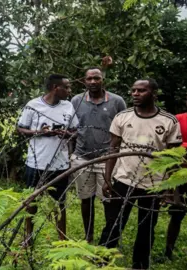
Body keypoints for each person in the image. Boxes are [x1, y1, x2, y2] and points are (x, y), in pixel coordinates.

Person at [99, 79, 182, 269]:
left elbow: (174, 158)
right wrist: (107, 178)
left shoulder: (169, 121)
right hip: (124, 179)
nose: (135, 93)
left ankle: (140, 264)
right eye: (133, 90)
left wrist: (169, 188)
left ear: (154, 94)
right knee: (113, 222)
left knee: (146, 227)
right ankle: (102, 259)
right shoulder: (123, 117)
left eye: (141, 90)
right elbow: (113, 149)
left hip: (153, 183)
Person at [17, 74, 78, 244]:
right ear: (55, 88)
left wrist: (68, 134)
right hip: (36, 162)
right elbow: (21, 129)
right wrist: (40, 132)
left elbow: (76, 130)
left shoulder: (68, 106)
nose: (69, 91)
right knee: (31, 201)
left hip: (61, 164)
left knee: (60, 204)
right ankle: (28, 237)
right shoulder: (33, 105)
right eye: (66, 87)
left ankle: (62, 239)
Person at [70, 67, 126, 243]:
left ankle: (109, 238)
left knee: (110, 201)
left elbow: (124, 127)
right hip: (82, 157)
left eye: (96, 78)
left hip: (107, 160)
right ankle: (89, 236)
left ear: (103, 79)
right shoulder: (76, 101)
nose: (93, 82)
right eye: (89, 79)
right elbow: (71, 129)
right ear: (84, 81)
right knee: (86, 200)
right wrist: (71, 155)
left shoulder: (117, 101)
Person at [164, 88, 187, 259]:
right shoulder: (178, 119)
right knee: (176, 214)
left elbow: (182, 146)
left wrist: (186, 146)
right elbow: (170, 144)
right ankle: (168, 252)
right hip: (180, 175)